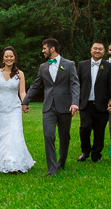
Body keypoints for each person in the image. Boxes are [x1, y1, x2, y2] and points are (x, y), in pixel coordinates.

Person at [22, 38, 80, 176]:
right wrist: (25, 101)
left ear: (52, 48)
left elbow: (75, 84)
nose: (42, 51)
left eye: (44, 48)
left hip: (66, 106)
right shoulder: (43, 67)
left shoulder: (69, 64)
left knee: (64, 136)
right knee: (48, 135)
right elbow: (36, 85)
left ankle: (62, 161)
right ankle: (52, 169)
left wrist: (75, 102)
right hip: (48, 107)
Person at [0, 47, 35, 173]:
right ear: (3, 58)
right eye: (6, 56)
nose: (9, 58)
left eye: (11, 56)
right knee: (0, 134)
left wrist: (25, 103)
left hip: (14, 108)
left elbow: (22, 91)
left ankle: (13, 163)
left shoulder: (20, 74)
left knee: (14, 133)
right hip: (0, 108)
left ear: (15, 58)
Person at [77, 42, 111, 162]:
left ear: (104, 51)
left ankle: (96, 154)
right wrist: (75, 101)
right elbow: (77, 84)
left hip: (102, 104)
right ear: (91, 50)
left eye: (100, 49)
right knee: (85, 128)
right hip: (85, 104)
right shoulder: (82, 65)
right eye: (95, 48)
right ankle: (85, 151)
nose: (97, 51)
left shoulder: (109, 67)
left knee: (99, 131)